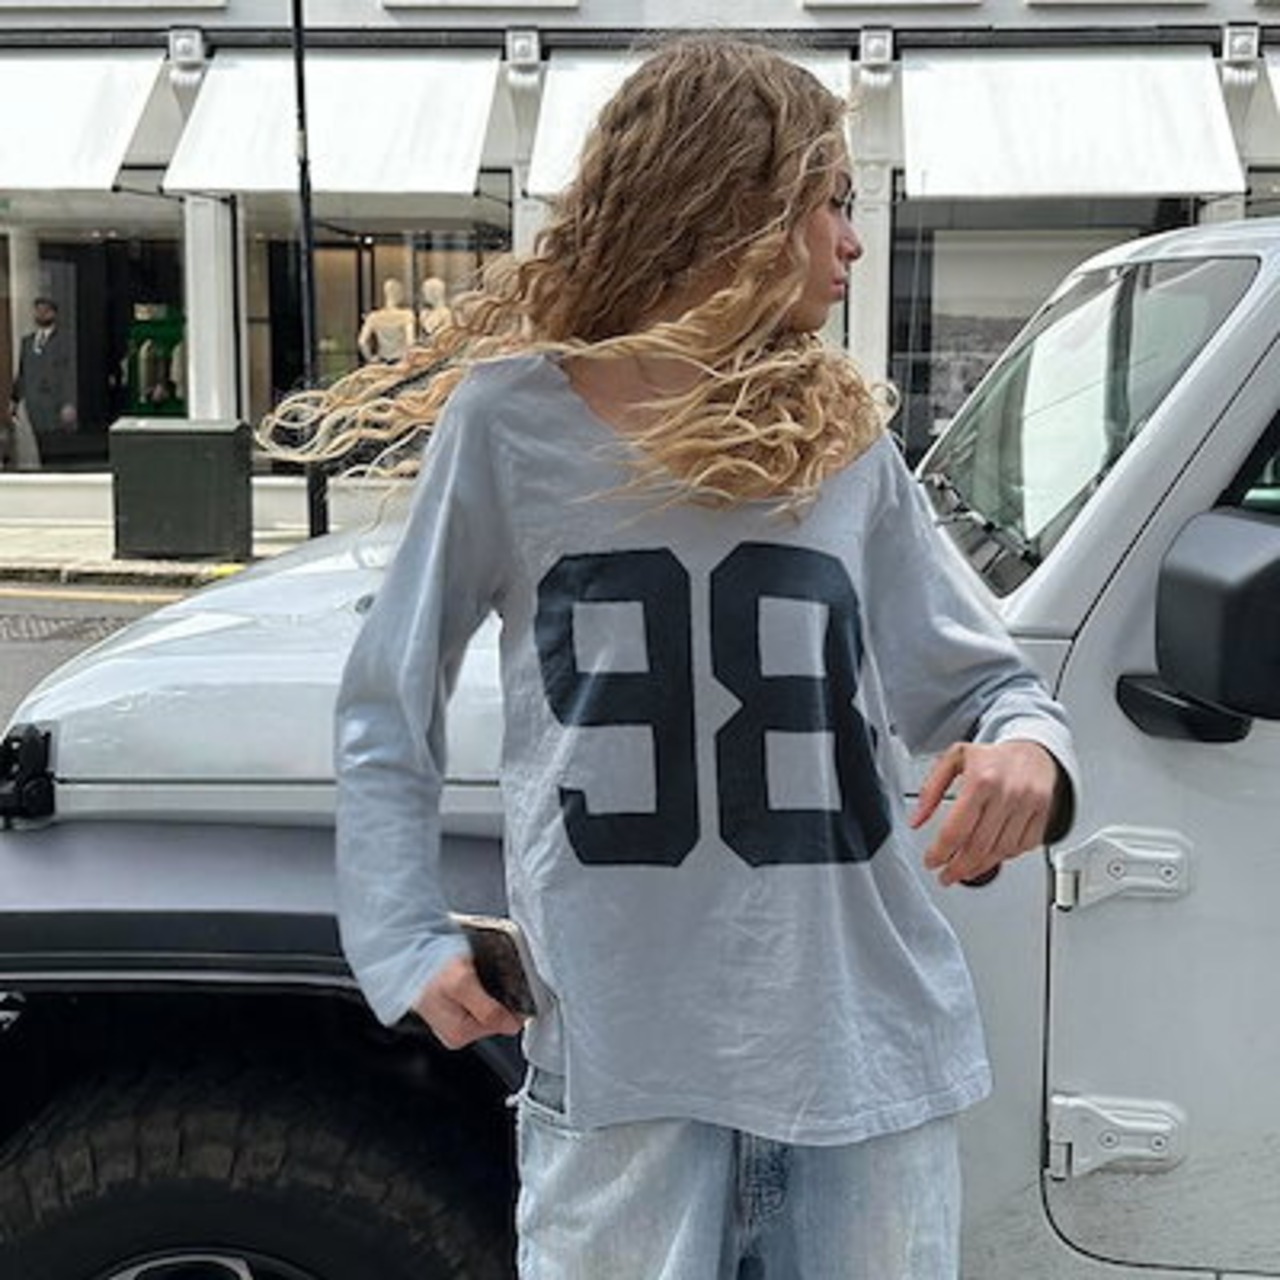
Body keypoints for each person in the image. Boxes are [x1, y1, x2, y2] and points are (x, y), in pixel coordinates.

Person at [270, 35, 1077, 1278]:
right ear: (731, 203)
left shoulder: (841, 441)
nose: (851, 242)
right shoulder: (510, 423)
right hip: (620, 1075)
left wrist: (1028, 752)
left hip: (863, 1066)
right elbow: (390, 696)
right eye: (829, 200)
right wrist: (396, 932)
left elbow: (986, 687)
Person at [10, 297, 75, 457]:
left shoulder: (64, 340)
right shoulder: (27, 342)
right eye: (38, 311)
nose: (41, 314)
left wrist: (68, 402)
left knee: (57, 446)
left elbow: (67, 372)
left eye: (45, 311)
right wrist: (14, 400)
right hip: (34, 404)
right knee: (42, 445)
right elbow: (22, 372)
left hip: (55, 403)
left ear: (53, 314)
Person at [356, 278, 416, 365]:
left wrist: (370, 359)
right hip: (401, 362)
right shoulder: (406, 315)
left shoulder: (374, 317)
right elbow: (410, 342)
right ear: (400, 294)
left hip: (382, 361)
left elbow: (362, 342)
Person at [418, 275, 451, 343]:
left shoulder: (446, 314)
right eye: (424, 292)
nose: (425, 295)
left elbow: (447, 336)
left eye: (428, 291)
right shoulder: (425, 314)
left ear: (437, 292)